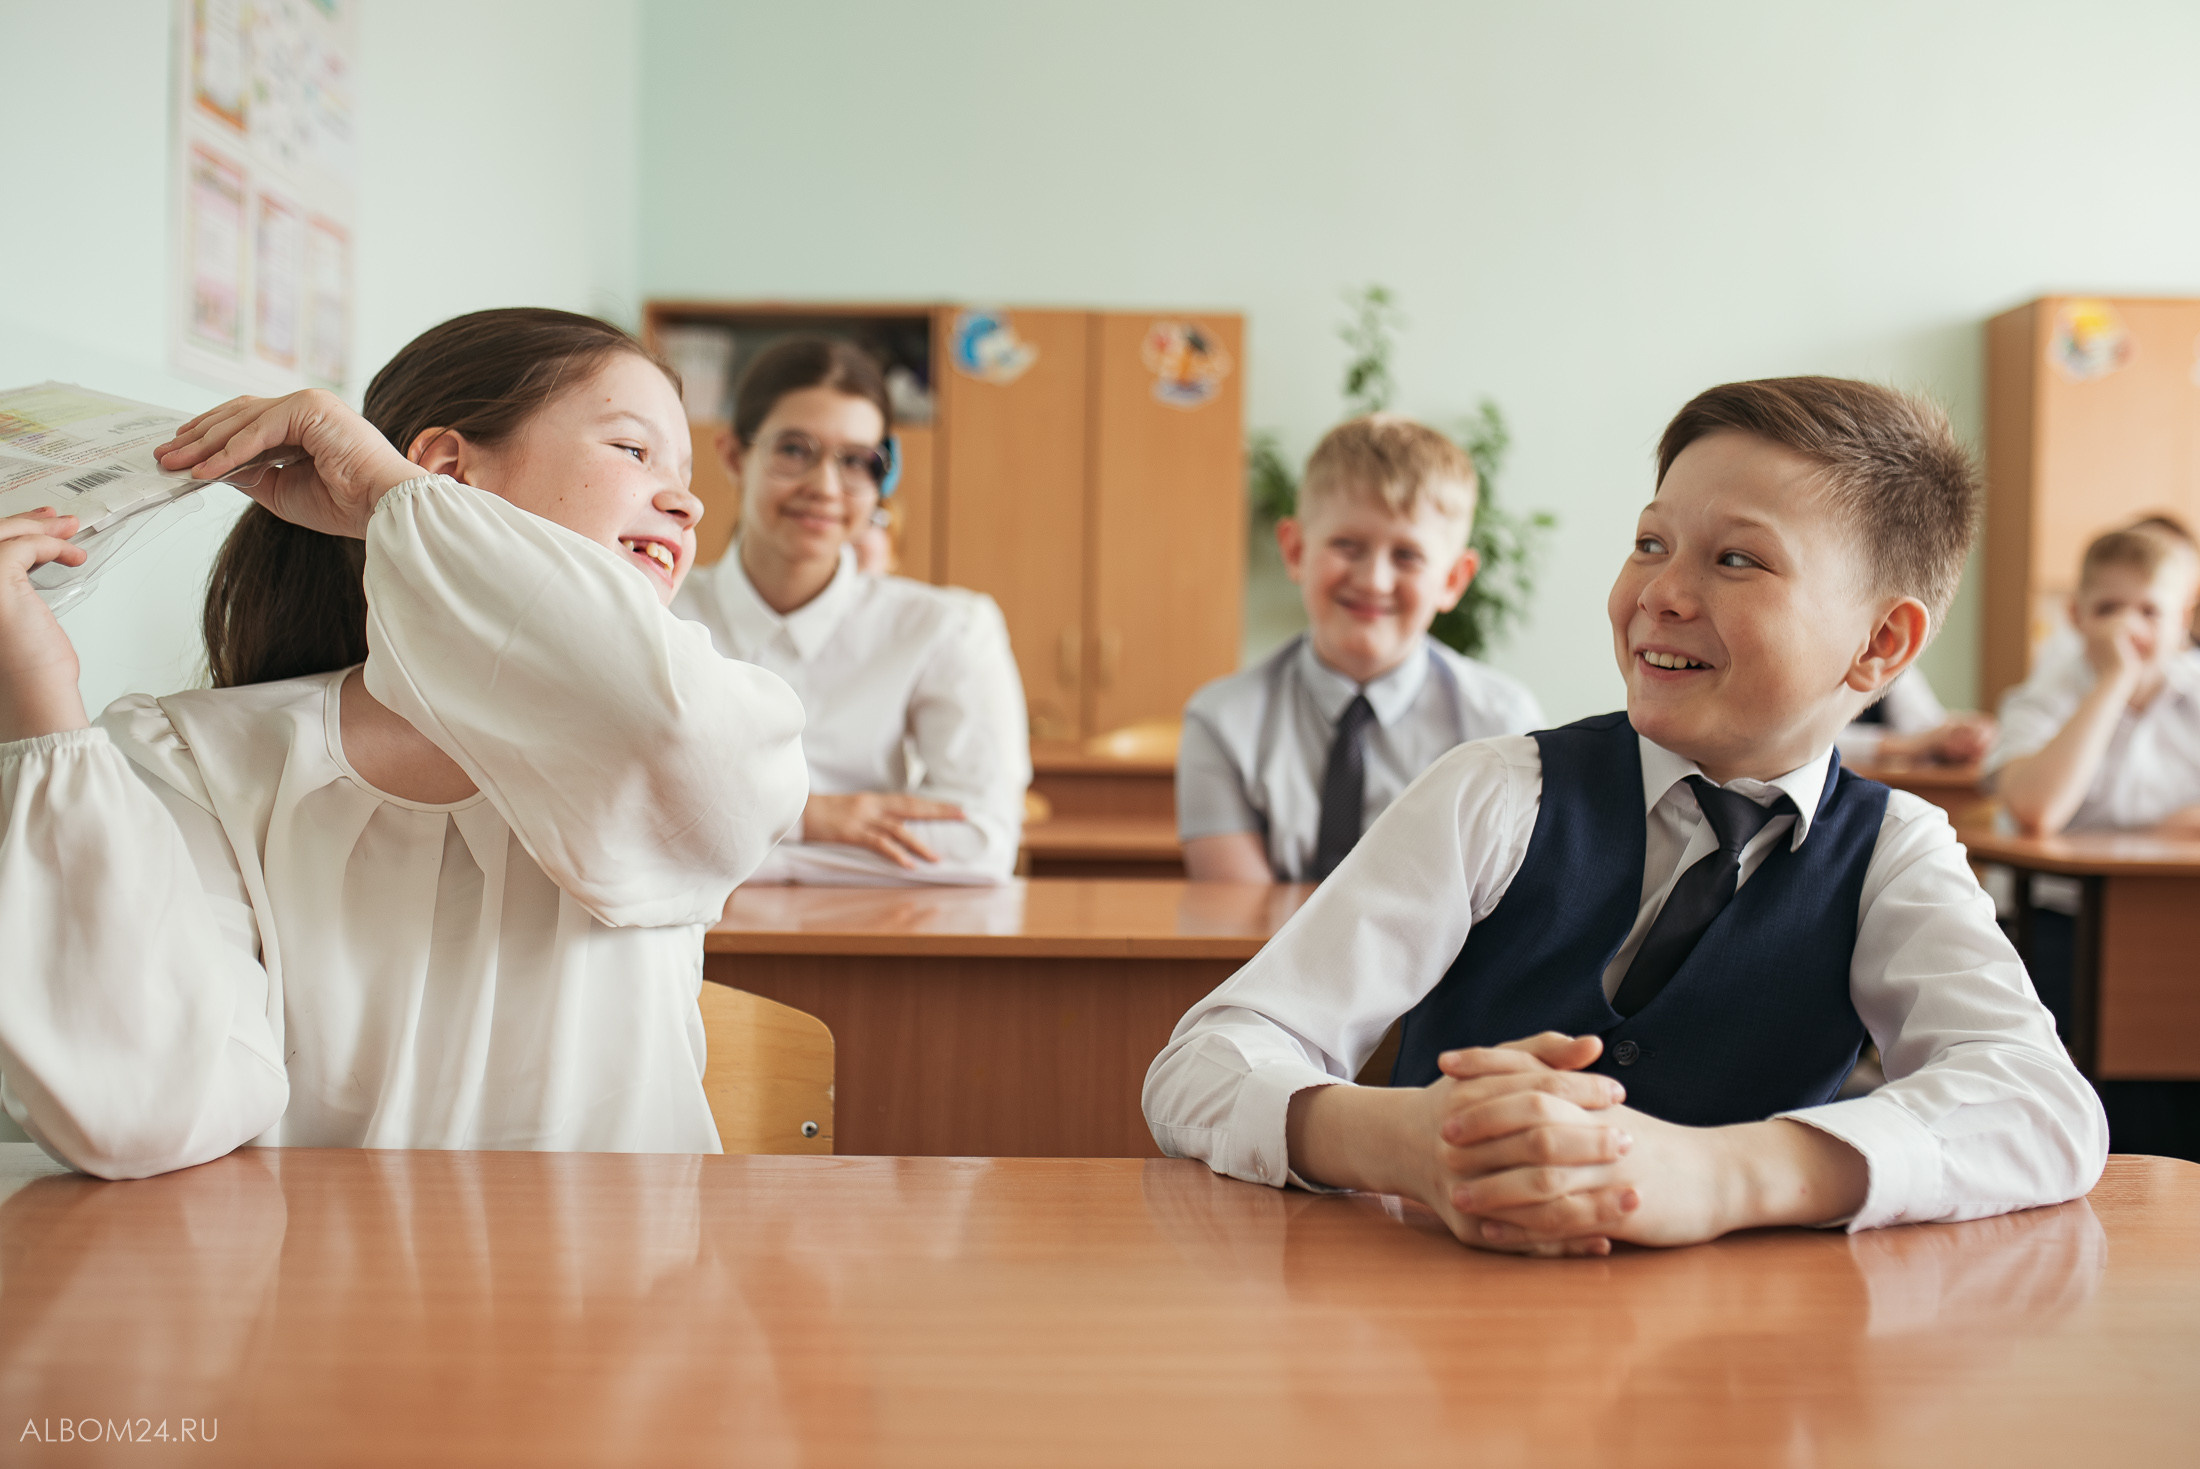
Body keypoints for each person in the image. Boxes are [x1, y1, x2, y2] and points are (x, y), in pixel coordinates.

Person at [1144, 377, 2105, 1255]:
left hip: (1744, 1372)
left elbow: (2043, 1104)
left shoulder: (1895, 852)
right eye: (1650, 542)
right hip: (1430, 1339)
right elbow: (1201, 1065)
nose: (1660, 593)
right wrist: (1397, 1138)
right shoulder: (1495, 790)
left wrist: (1723, 1172)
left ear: (1880, 642)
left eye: (1737, 559)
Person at [0, 308, 808, 1179]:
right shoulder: (195, 756)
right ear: (450, 469)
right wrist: (38, 703)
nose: (688, 502)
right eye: (632, 450)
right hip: (302, 1301)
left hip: (615, 1296)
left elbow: (675, 729)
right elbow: (148, 1112)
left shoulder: (671, 735)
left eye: (686, 474)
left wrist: (392, 502)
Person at [674, 338, 1028, 885]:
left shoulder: (947, 629)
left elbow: (979, 844)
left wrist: (715, 847)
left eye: (858, 461)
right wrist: (809, 818)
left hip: (874, 940)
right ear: (733, 456)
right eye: (794, 450)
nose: (826, 487)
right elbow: (593, 820)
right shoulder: (656, 612)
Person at [1177, 414, 1543, 882]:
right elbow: (1241, 914)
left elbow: (1507, 910)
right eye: (1347, 545)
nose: (1374, 581)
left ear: (1452, 580)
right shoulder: (1222, 723)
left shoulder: (1505, 727)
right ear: (1295, 551)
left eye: (1407, 555)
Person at [1985, 523, 2200, 1162]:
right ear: (2076, 616)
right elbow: (2037, 809)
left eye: (2149, 611)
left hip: (2178, 922)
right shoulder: (2043, 699)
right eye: (2107, 609)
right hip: (2062, 925)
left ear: (2184, 620)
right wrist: (2111, 684)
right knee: (2112, 1073)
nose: (2127, 626)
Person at [1833, 667, 1994, 767]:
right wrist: (1916, 745)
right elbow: (1830, 744)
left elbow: (1927, 725)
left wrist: (1963, 734)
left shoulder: (1891, 661)